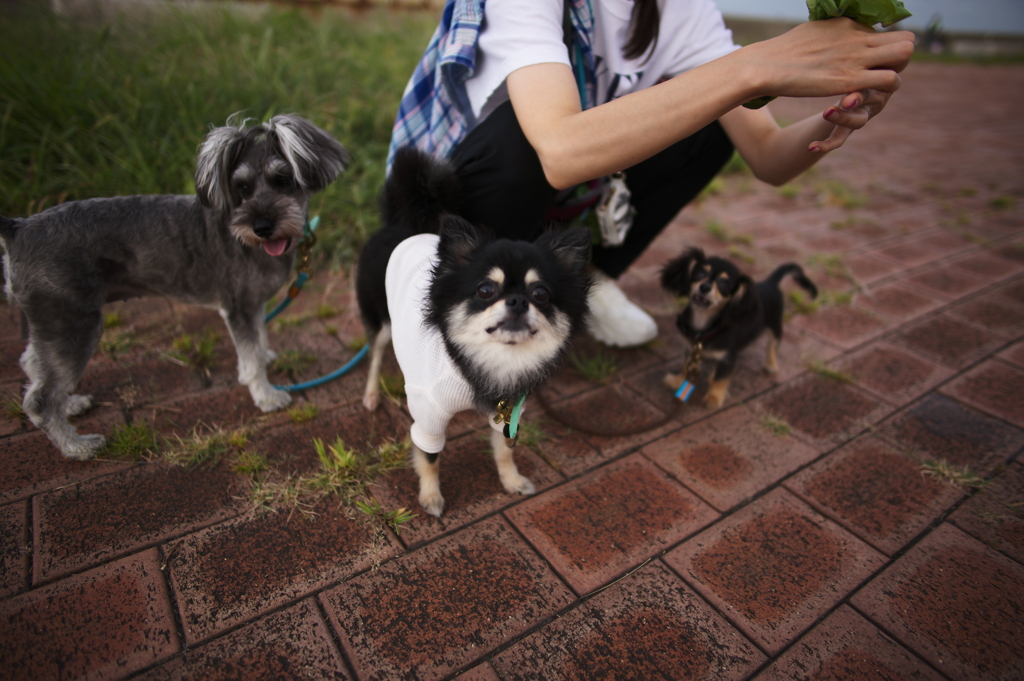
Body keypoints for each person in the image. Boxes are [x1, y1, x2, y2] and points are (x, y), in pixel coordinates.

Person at [388, 0, 915, 347]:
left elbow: (770, 155)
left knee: (711, 114)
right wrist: (754, 67)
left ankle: (584, 281)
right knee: (530, 137)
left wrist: (839, 112)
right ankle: (450, 297)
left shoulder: (679, 8)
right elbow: (560, 150)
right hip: (446, 209)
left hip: (554, 194)